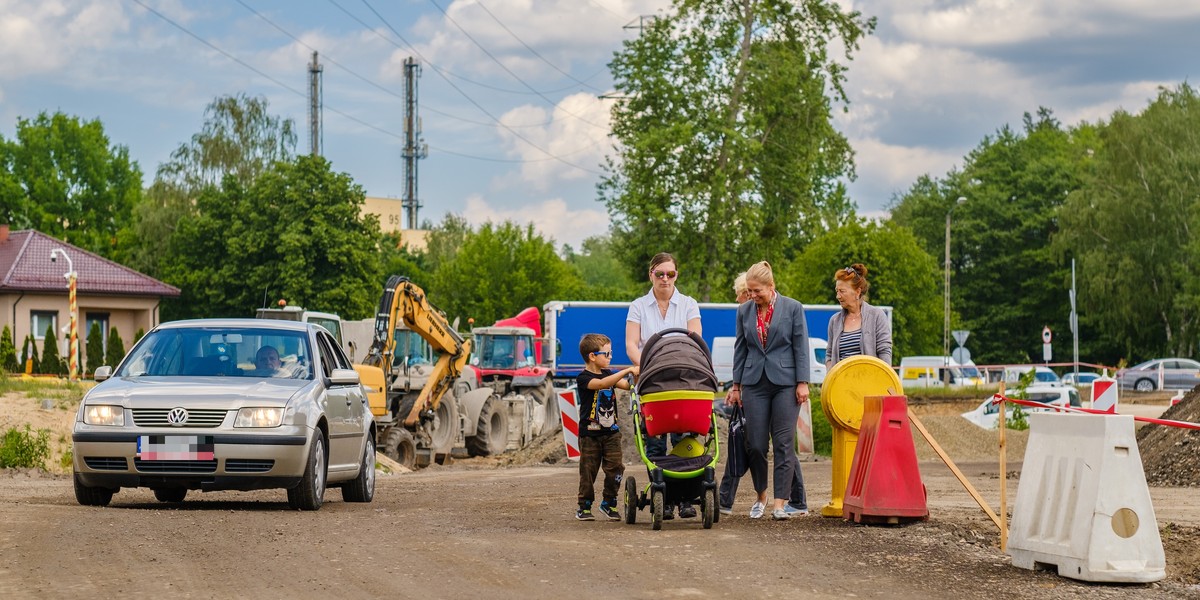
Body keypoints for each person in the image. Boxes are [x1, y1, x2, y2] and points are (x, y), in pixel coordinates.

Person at [726, 261, 810, 521]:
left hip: (785, 383)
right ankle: (761, 495)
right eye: (749, 291)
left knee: (784, 444)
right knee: (756, 444)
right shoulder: (744, 311)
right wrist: (736, 385)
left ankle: (779, 504)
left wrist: (802, 381)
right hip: (753, 383)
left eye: (757, 291)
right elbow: (740, 349)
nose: (752, 296)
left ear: (771, 286)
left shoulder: (793, 308)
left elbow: (800, 346)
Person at [626, 252, 702, 519]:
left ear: (676, 275)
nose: (665, 279)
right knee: (655, 442)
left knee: (684, 438)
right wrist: (647, 366)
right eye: (660, 274)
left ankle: (684, 497)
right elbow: (632, 345)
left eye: (670, 274)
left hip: (682, 377)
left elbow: (695, 338)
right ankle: (665, 495)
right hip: (652, 379)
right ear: (651, 275)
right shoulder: (638, 306)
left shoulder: (689, 304)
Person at [575, 333, 638, 521]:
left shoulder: (609, 374)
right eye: (607, 353)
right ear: (592, 356)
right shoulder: (584, 378)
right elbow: (601, 384)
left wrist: (638, 373)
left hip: (611, 433)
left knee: (616, 468)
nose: (610, 357)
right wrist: (627, 369)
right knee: (588, 471)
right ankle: (584, 506)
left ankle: (609, 502)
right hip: (590, 435)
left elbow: (626, 386)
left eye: (611, 353)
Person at [826, 264, 892, 368]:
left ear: (857, 292)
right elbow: (829, 355)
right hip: (842, 383)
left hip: (869, 381)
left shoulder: (877, 316)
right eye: (837, 291)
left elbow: (884, 352)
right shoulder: (834, 321)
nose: (837, 296)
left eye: (842, 291)